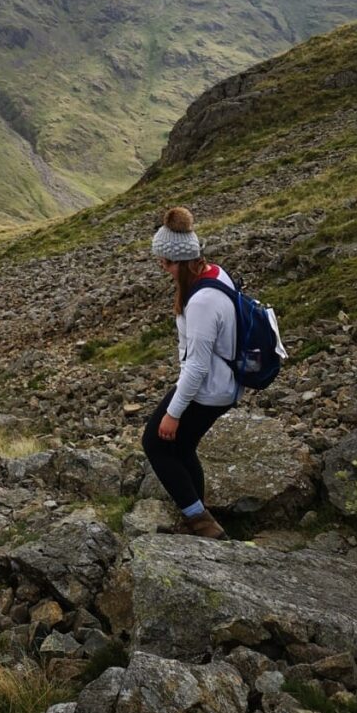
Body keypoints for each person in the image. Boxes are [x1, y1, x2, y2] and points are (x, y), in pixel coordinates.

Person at [141, 207, 238, 540]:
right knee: (182, 449)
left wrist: (173, 412)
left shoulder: (201, 303)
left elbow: (196, 366)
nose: (162, 267)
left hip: (209, 388)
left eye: (166, 262)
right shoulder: (215, 273)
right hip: (222, 383)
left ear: (182, 261)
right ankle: (197, 513)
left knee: (155, 442)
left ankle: (199, 522)